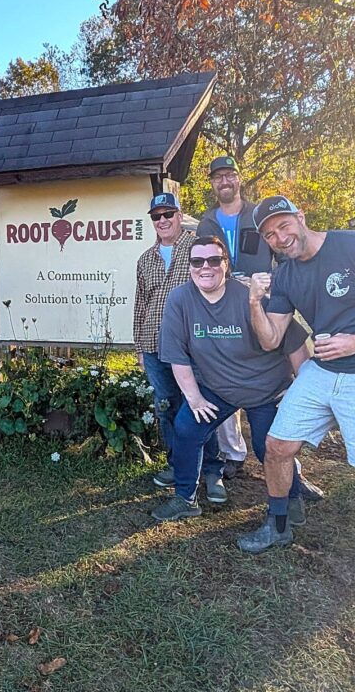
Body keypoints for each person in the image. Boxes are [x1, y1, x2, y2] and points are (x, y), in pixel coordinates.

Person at [238, 195, 355, 585]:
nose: (280, 237)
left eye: (284, 225)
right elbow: (270, 339)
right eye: (270, 234)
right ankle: (279, 525)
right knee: (276, 446)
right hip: (323, 368)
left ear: (300, 217)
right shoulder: (285, 275)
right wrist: (253, 302)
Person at [151, 235, 311, 522]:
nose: (205, 267)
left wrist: (303, 392)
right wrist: (195, 398)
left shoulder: (252, 297)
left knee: (269, 448)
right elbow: (177, 356)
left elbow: (295, 341)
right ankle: (185, 498)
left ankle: (293, 496)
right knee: (186, 428)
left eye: (214, 260)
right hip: (218, 388)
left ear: (226, 263)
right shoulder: (179, 300)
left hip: (266, 390)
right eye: (197, 261)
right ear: (189, 266)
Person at [196, 156, 277, 477]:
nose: (224, 182)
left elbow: (282, 260)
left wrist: (268, 287)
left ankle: (286, 463)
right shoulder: (205, 223)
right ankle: (233, 453)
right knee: (223, 379)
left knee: (273, 384)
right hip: (223, 311)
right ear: (213, 184)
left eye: (230, 175)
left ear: (239, 178)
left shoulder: (259, 215)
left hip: (263, 309)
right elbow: (202, 269)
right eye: (218, 177)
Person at [133, 192, 219, 487]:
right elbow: (140, 304)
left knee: (200, 405)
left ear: (180, 216)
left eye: (168, 214)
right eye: (157, 216)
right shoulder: (145, 259)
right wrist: (140, 347)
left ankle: (211, 471)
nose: (163, 220)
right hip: (154, 346)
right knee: (167, 406)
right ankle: (176, 465)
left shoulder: (198, 251)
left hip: (192, 346)